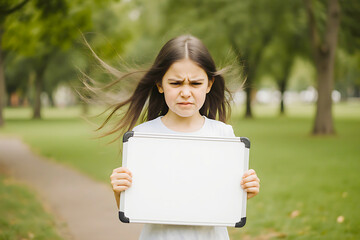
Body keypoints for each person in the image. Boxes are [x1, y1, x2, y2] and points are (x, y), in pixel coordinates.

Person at [95, 35, 260, 240]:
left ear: (209, 85)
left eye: (195, 83)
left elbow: (227, 202)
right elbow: (134, 207)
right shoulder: (142, 137)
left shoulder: (223, 135)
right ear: (160, 84)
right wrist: (120, 191)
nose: (185, 92)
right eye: (175, 83)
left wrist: (245, 190)